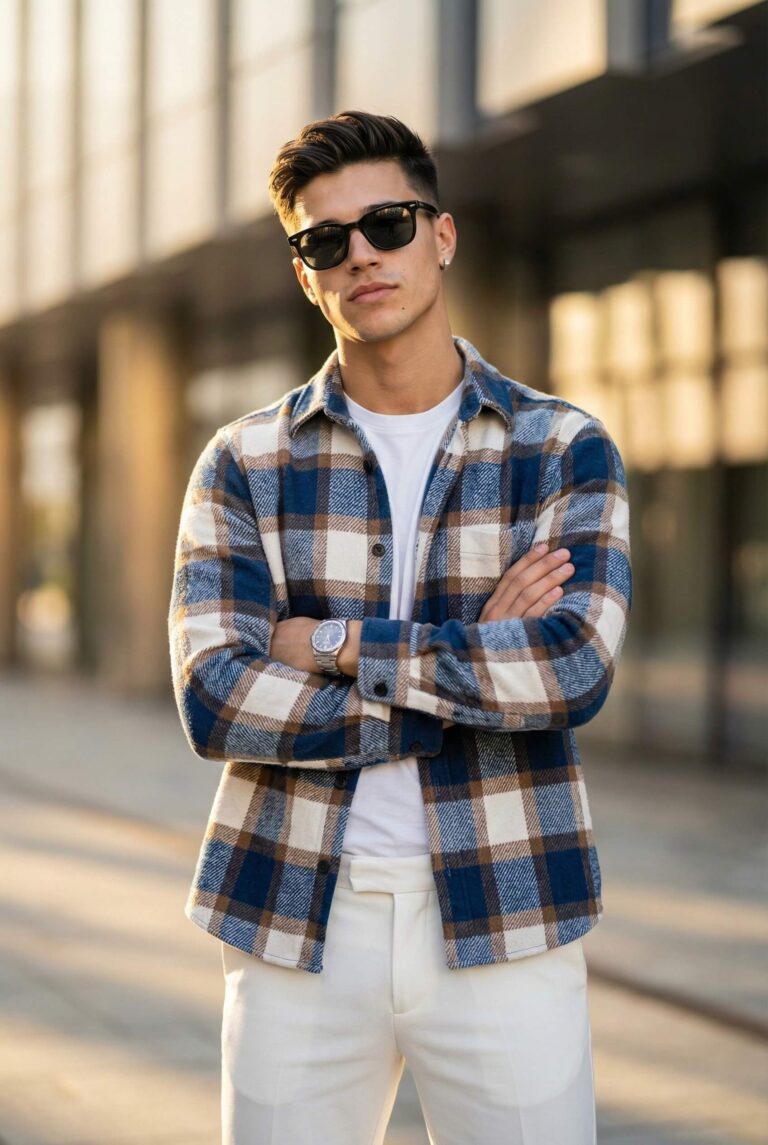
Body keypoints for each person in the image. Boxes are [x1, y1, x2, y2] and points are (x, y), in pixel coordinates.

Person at [168, 109, 631, 1145]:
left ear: (443, 233)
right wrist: (465, 668)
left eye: (386, 224)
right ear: (303, 272)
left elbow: (569, 668)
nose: (360, 256)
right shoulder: (244, 461)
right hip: (296, 914)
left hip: (508, 903)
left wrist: (332, 644)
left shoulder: (560, 447)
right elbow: (215, 692)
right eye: (325, 241)